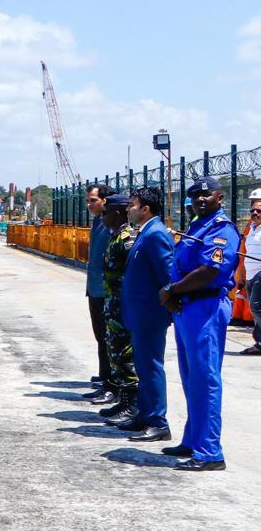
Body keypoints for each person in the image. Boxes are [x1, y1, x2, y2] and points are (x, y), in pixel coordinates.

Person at [159, 177, 240, 470]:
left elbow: (208, 271)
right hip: (188, 307)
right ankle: (193, 439)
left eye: (206, 195)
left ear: (219, 197)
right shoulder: (197, 226)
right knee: (191, 377)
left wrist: (173, 290)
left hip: (206, 306)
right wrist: (174, 293)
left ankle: (210, 452)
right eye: (195, 196)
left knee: (205, 379)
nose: (200, 200)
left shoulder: (221, 229)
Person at [119, 186, 175, 442]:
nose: (128, 209)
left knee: (151, 366)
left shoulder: (155, 234)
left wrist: (169, 307)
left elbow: (167, 276)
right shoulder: (145, 232)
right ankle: (144, 414)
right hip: (139, 313)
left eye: (132, 205)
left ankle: (157, 421)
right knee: (142, 366)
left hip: (150, 314)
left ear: (145, 209)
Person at [97, 195, 140, 424]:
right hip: (112, 305)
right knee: (115, 352)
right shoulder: (115, 237)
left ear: (117, 213)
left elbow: (134, 274)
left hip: (123, 306)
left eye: (106, 212)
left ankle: (132, 405)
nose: (102, 216)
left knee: (125, 355)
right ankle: (123, 401)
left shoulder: (128, 238)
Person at [83, 183, 115, 401]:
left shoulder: (110, 224)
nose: (89, 205)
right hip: (94, 288)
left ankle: (111, 381)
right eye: (88, 201)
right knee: (100, 336)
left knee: (108, 338)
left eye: (93, 200)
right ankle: (105, 375)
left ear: (105, 201)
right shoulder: (98, 222)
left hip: (105, 290)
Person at [240, 191, 261, 356]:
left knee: (256, 307)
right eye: (253, 210)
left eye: (259, 211)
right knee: (255, 309)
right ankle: (259, 343)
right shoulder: (252, 228)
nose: (255, 213)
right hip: (250, 275)